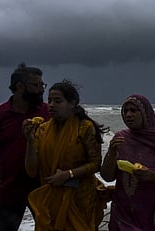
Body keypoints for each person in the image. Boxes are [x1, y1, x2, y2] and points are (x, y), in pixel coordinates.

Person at [22, 79, 108, 230]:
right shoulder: (42, 130)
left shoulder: (84, 128)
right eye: (49, 100)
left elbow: (95, 164)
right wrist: (29, 141)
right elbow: (31, 171)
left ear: (72, 103)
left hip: (80, 198)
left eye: (57, 101)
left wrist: (68, 174)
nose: (51, 105)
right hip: (50, 198)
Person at [0, 63, 49, 230]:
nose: (41, 89)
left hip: (43, 189)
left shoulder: (48, 112)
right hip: (9, 191)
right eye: (36, 85)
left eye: (42, 85)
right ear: (19, 86)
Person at [100, 94, 155, 231]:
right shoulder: (120, 138)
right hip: (122, 211)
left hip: (151, 210)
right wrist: (111, 154)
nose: (128, 115)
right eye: (125, 111)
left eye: (133, 110)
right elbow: (107, 176)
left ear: (145, 112)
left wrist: (152, 175)